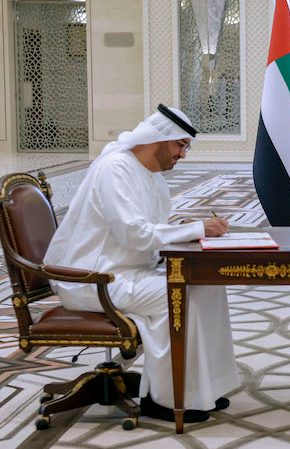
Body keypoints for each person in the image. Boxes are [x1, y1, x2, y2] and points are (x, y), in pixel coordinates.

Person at [43, 105, 241, 423]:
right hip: (95, 279)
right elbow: (134, 233)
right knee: (178, 295)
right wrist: (197, 229)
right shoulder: (116, 168)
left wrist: (187, 228)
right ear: (159, 139)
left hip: (127, 273)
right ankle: (162, 400)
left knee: (206, 284)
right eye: (181, 145)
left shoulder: (146, 173)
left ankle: (201, 391)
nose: (183, 155)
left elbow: (149, 228)